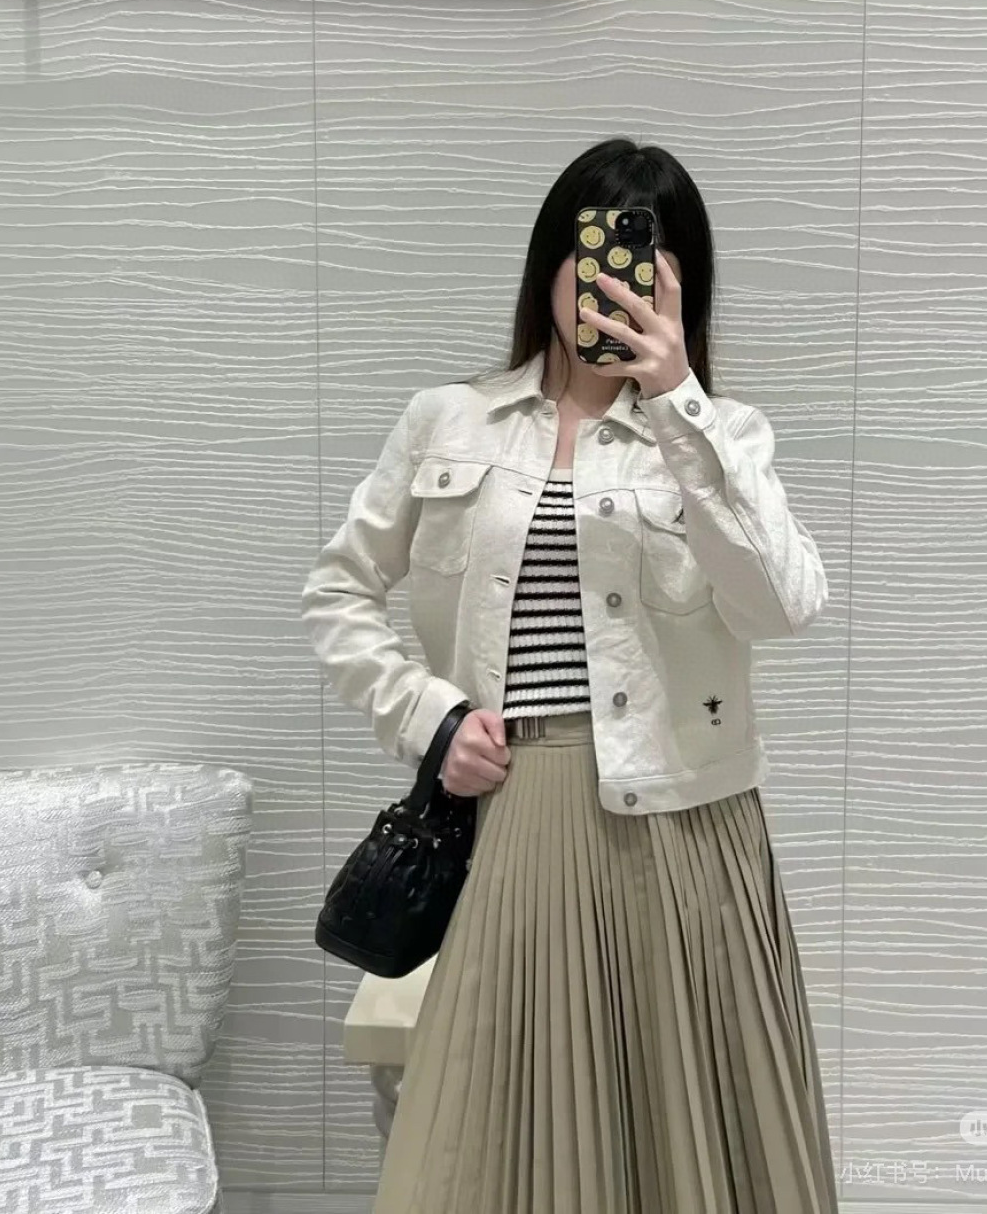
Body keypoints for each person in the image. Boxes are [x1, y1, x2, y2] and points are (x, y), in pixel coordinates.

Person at [301, 136, 839, 1213]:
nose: (611, 283)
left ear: (682, 284)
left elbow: (781, 605)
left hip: (689, 821)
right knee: (482, 1147)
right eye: (593, 251)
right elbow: (337, 590)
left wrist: (678, 397)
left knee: (692, 1144)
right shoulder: (448, 419)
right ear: (551, 259)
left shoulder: (723, 436)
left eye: (646, 259)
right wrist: (430, 717)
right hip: (516, 808)